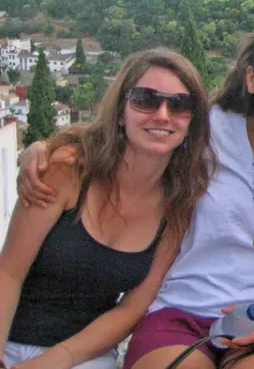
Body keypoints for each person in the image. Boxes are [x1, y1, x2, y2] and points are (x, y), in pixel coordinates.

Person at [17, 19, 254, 369]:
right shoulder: (208, 127)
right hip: (178, 308)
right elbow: (135, 135)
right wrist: (43, 149)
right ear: (251, 79)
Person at [1, 49, 213, 369]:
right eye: (146, 99)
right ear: (119, 111)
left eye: (180, 104)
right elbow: (9, 272)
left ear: (192, 121)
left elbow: (131, 308)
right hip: (9, 340)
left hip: (82, 356)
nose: (163, 115)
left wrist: (51, 362)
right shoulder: (68, 172)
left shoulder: (177, 206)